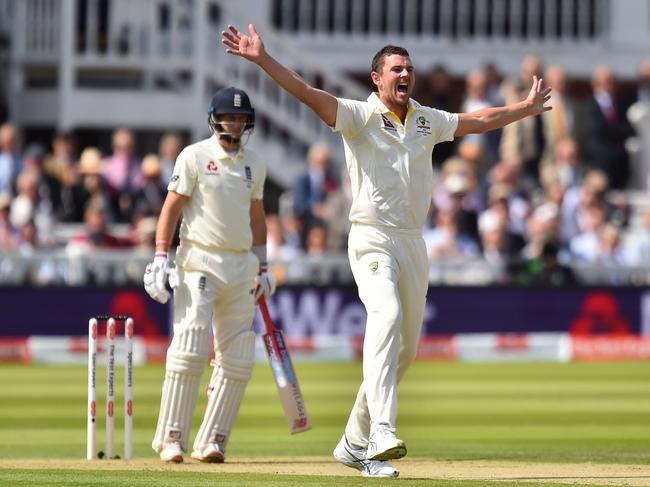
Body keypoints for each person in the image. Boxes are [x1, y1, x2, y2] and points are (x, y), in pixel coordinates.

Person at [222, 23, 550, 478]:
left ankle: (353, 444)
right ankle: (380, 430)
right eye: (397, 68)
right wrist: (263, 59)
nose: (405, 74)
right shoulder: (358, 115)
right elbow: (306, 93)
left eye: (409, 68)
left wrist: (525, 108)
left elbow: (478, 121)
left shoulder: (425, 119)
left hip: (413, 241)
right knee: (387, 316)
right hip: (372, 235)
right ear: (377, 77)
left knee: (405, 354)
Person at [144, 86, 276, 464]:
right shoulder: (194, 156)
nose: (234, 122)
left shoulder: (256, 163)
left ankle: (212, 440)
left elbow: (257, 217)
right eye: (229, 116)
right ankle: (171, 438)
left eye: (240, 117)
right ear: (214, 119)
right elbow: (172, 208)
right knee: (188, 347)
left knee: (238, 358)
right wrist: (159, 256)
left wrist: (263, 265)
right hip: (198, 260)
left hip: (240, 266)